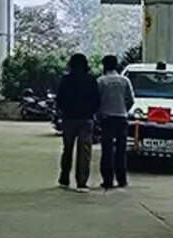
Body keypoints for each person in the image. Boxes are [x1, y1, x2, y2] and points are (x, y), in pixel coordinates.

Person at [56, 54, 100, 192]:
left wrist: (64, 111)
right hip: (86, 119)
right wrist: (91, 112)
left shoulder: (66, 79)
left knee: (67, 149)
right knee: (84, 152)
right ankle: (81, 183)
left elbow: (59, 99)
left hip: (69, 119)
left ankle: (64, 179)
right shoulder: (91, 80)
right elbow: (97, 100)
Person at [97, 54, 135, 189]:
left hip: (107, 119)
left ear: (104, 66)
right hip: (122, 118)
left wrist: (99, 115)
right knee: (121, 150)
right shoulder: (125, 81)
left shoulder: (100, 81)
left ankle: (107, 180)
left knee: (107, 150)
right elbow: (131, 100)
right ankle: (122, 179)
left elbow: (97, 101)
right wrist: (124, 109)